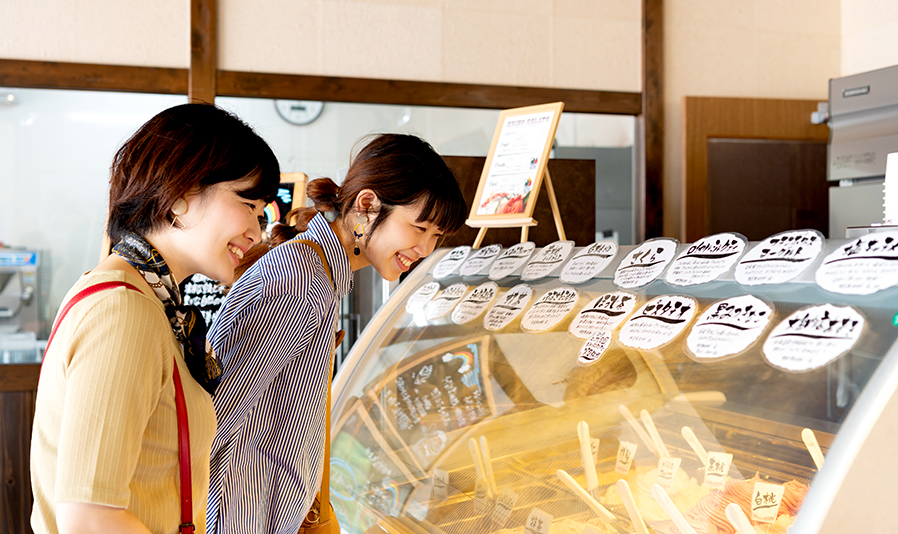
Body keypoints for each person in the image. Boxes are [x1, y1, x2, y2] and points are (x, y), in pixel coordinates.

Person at [31, 103, 280, 534]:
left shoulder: (141, 299)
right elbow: (89, 520)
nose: (257, 231)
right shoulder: (123, 310)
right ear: (181, 195)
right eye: (249, 204)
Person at [206, 133, 467, 534]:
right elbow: (215, 421)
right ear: (366, 206)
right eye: (419, 228)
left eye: (436, 238)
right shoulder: (301, 282)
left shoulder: (320, 277)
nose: (424, 249)